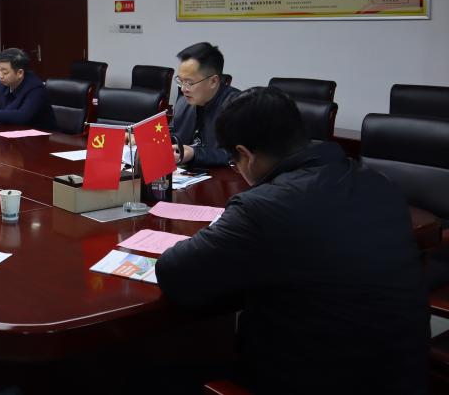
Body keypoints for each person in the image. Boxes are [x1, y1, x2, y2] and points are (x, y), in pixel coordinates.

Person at [156, 87, 428, 394]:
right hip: (403, 377)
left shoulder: (263, 207)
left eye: (234, 161)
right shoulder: (379, 183)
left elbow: (175, 273)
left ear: (247, 156)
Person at [170, 42, 239, 167]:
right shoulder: (184, 102)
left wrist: (194, 154)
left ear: (213, 81)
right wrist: (144, 138)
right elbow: (174, 136)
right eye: (181, 81)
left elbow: (236, 155)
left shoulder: (237, 107)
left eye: (189, 82)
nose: (183, 89)